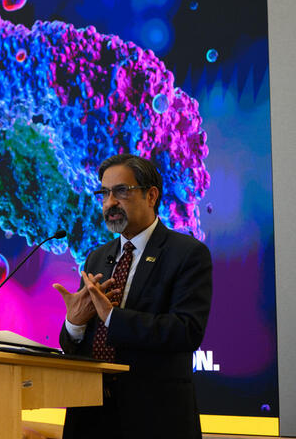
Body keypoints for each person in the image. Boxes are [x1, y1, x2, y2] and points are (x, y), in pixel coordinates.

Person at [53, 154, 212, 439]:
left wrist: (113, 317)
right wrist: (74, 324)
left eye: (121, 191)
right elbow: (75, 345)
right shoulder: (97, 258)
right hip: (90, 416)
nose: (110, 202)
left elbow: (186, 331)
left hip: (153, 418)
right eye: (104, 193)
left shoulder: (187, 254)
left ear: (151, 196)